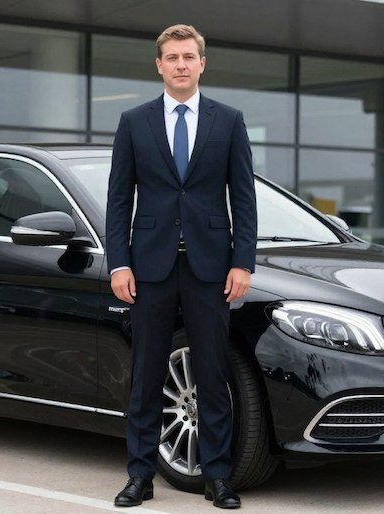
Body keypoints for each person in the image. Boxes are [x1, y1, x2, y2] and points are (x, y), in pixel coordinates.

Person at [106, 24, 257, 510]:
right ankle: (140, 476)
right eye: (171, 57)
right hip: (149, 267)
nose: (180, 65)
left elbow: (244, 198)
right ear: (159, 65)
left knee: (212, 375)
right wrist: (118, 264)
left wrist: (243, 263)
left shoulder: (228, 121)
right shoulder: (134, 121)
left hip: (210, 268)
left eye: (189, 57)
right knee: (147, 375)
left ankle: (217, 477)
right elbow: (117, 200)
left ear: (202, 63)